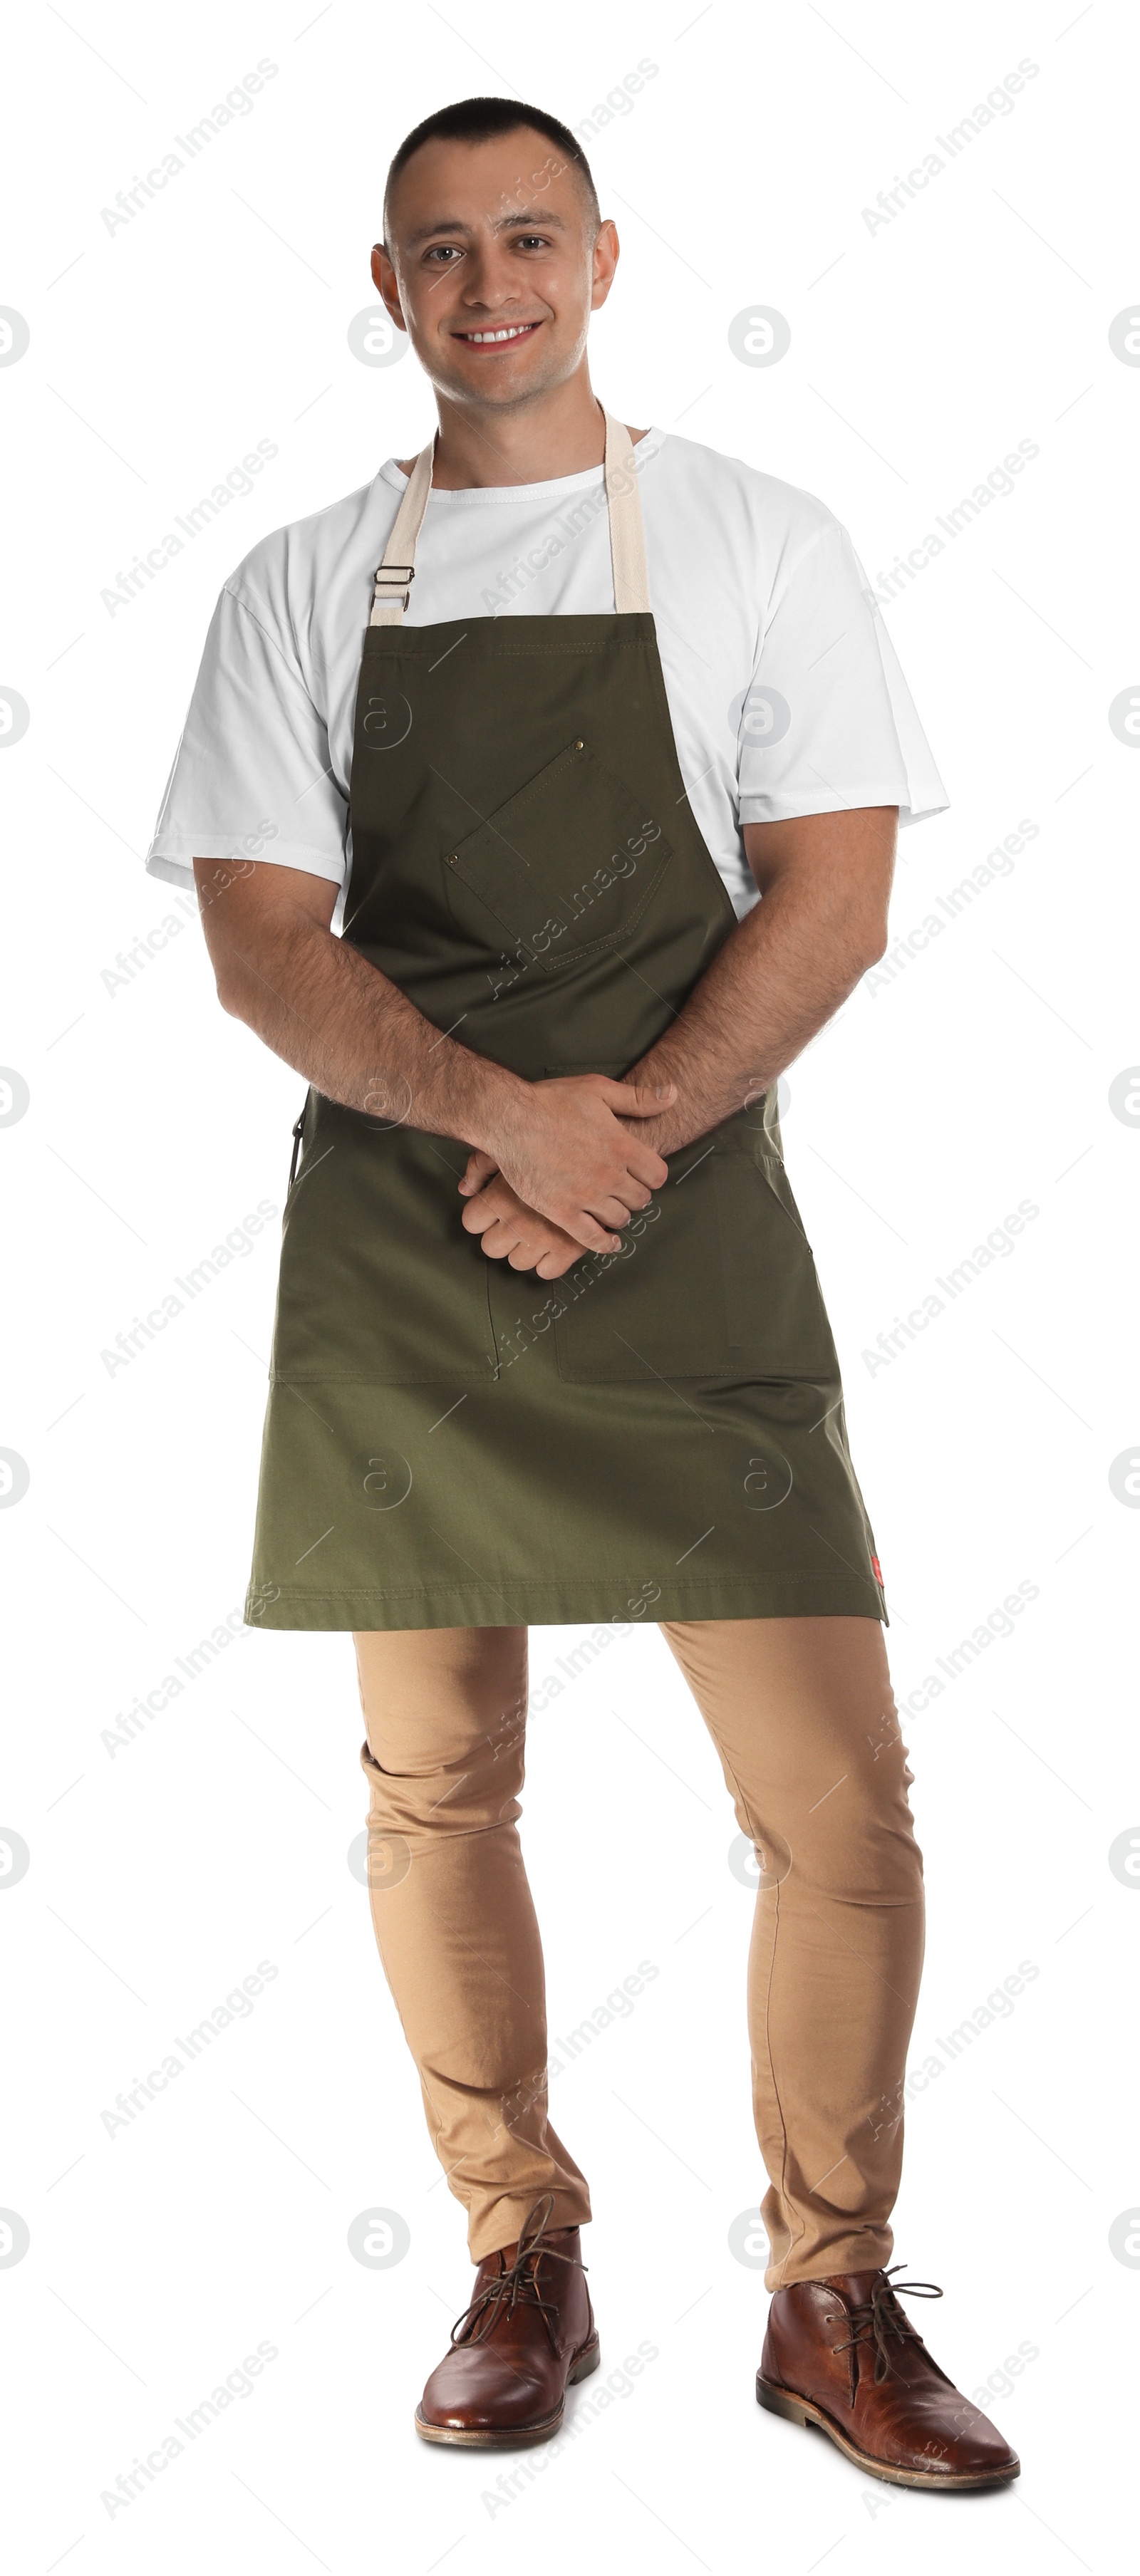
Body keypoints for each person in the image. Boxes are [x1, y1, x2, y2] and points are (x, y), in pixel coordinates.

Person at [146, 95, 1018, 2491]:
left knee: (839, 1799)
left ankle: (829, 2295)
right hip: (406, 1252)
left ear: (607, 259)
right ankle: (517, 2247)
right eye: (442, 249)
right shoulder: (306, 584)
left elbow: (824, 900)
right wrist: (498, 1125)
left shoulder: (759, 538)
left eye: (530, 235)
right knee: (436, 1789)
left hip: (686, 1214)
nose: (490, 280)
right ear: (391, 283)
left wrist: (606, 1142)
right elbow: (259, 949)